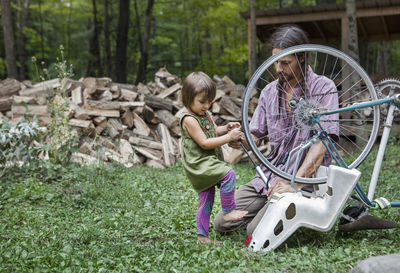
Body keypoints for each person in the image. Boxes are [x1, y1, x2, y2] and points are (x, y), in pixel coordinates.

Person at [214, 24, 339, 236]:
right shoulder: (270, 92)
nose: (278, 68)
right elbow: (256, 134)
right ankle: (273, 211)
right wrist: (239, 139)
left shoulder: (324, 88)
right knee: (221, 223)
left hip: (304, 182)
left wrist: (295, 183)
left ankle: (284, 213)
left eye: (285, 63)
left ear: (301, 58)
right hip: (270, 177)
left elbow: (323, 143)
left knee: (256, 230)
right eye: (275, 62)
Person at [179, 71, 248, 245]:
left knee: (206, 200)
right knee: (228, 174)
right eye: (202, 101)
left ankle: (202, 237)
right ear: (188, 98)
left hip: (208, 162)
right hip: (199, 163)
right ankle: (228, 211)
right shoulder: (189, 120)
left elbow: (213, 132)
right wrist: (230, 137)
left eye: (210, 101)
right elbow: (204, 142)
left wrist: (226, 128)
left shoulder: (206, 114)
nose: (207, 105)